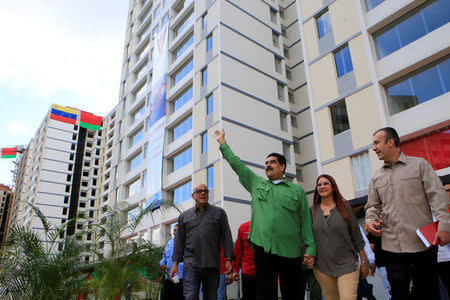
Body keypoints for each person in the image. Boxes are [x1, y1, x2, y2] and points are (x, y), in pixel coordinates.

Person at [214, 129, 316, 300]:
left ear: (282, 166)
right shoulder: (256, 183)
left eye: (273, 162)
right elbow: (237, 165)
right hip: (263, 249)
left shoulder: (296, 190)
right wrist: (222, 143)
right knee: (265, 294)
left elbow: (305, 221)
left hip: (290, 250)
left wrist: (310, 248)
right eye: (266, 162)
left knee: (293, 293)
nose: (268, 165)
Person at [365, 127, 450, 300]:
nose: (373, 148)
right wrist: (371, 219)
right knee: (399, 294)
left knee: (428, 293)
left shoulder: (419, 165)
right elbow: (372, 206)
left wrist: (445, 227)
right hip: (391, 248)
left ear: (391, 142)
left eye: (376, 142)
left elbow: (439, 198)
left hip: (423, 246)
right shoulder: (376, 178)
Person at [170, 184, 234, 300]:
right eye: (199, 191)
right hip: (191, 265)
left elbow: (226, 237)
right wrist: (175, 264)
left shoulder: (219, 213)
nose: (203, 193)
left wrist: (229, 259)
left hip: (212, 265)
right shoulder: (184, 216)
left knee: (211, 297)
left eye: (205, 191)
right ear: (193, 196)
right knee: (190, 297)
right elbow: (179, 241)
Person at [311, 174, 368, 300]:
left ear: (333, 188)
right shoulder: (312, 211)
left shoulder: (345, 207)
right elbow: (308, 238)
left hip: (347, 264)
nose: (322, 186)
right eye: (319, 184)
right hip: (322, 267)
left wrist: (364, 261)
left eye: (326, 183)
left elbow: (357, 237)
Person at [232, 221, 256, 300]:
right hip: (248, 271)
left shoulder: (267, 226)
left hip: (264, 272)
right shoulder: (243, 227)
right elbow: (238, 251)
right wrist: (235, 270)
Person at [160, 225, 184, 300]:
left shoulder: (185, 243)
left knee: (178, 296)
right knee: (165, 296)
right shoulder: (169, 242)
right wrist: (162, 264)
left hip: (178, 277)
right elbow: (164, 256)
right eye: (174, 230)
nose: (175, 232)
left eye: (177, 230)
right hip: (168, 277)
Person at [367, 232, 391, 300]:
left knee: (387, 286)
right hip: (385, 262)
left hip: (382, 264)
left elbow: (371, 250)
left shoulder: (371, 235)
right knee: (389, 286)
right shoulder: (382, 231)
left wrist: (371, 268)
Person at [356, 225, 376, 300]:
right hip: (339, 269)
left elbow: (364, 242)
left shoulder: (352, 222)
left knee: (365, 292)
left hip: (358, 267)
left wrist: (371, 259)